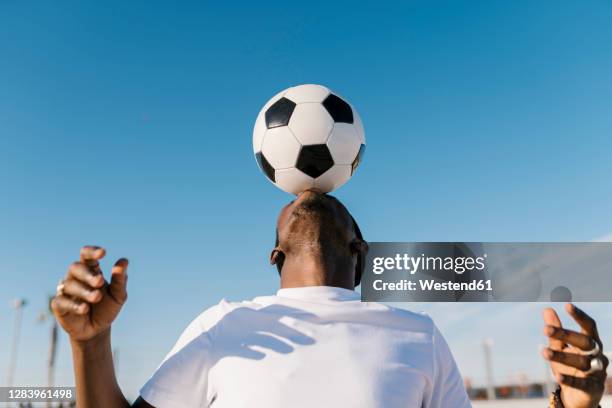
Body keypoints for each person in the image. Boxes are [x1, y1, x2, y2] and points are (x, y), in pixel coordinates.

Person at [52, 189, 608, 408]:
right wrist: (91, 343)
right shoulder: (225, 323)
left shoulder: (418, 333)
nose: (306, 191)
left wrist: (577, 406)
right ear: (274, 256)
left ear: (360, 253)